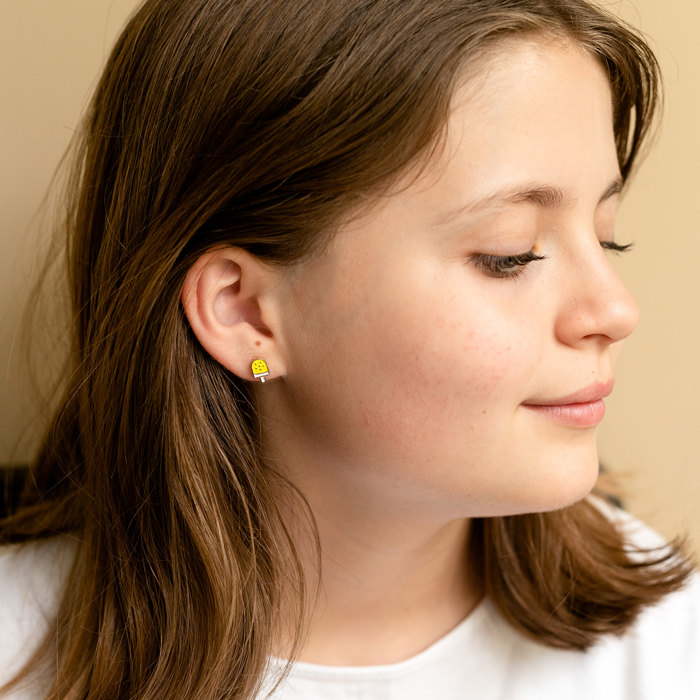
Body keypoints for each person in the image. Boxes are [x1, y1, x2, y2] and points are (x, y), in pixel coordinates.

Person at [1, 0, 698, 698]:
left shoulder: (672, 647)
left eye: (607, 237)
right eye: (509, 255)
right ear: (246, 313)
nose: (615, 310)